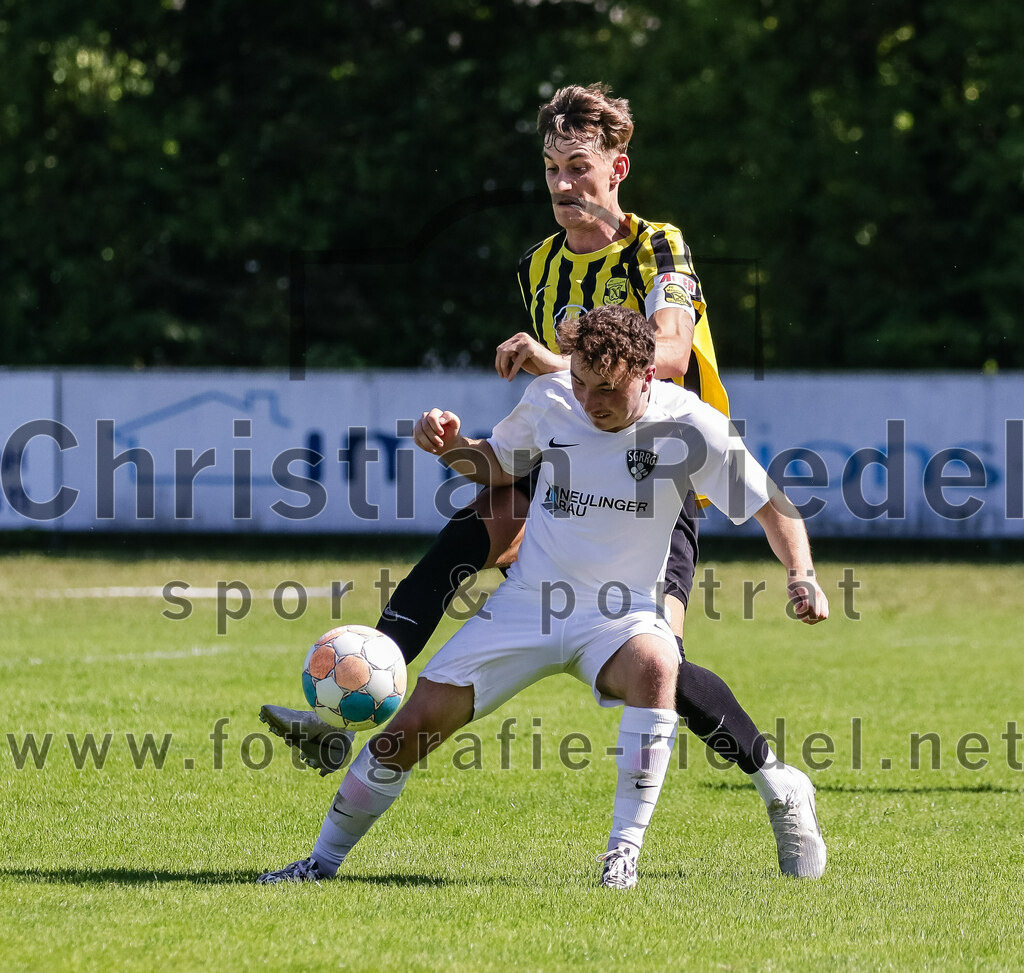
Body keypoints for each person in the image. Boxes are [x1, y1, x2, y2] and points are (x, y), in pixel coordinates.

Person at [260, 83, 821, 877]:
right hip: (572, 462)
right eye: (551, 168)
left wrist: (557, 364)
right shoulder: (539, 266)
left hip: (663, 481)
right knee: (478, 518)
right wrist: (466, 441)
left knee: (660, 669)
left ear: (617, 166)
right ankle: (364, 694)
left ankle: (777, 780)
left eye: (579, 168)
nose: (563, 185)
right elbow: (561, 405)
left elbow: (662, 359)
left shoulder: (657, 246)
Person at [257, 307, 828, 889]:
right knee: (409, 729)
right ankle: (318, 865)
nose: (589, 400)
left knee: (660, 664)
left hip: (622, 613)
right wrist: (448, 446)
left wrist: (801, 574)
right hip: (527, 603)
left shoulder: (692, 427)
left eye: (607, 389)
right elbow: (496, 466)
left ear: (647, 376)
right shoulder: (552, 396)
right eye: (580, 382)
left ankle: (621, 860)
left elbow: (769, 502)